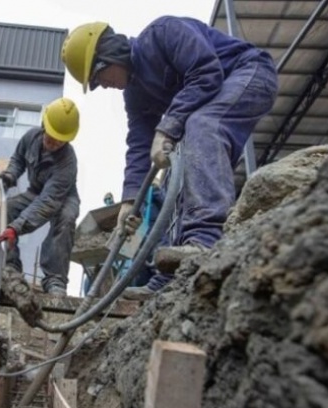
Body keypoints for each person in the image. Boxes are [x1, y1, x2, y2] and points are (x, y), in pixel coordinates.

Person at [61, 16, 278, 297]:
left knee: (202, 125)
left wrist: (167, 126)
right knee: (173, 178)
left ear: (109, 53)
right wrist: (129, 201)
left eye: (99, 76)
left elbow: (207, 72)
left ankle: (206, 238)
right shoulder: (135, 95)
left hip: (250, 73)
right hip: (212, 101)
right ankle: (169, 276)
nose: (103, 85)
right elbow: (139, 146)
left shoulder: (163, 33)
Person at [0, 97, 81, 297]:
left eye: (60, 141)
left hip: (62, 197)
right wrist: (10, 175)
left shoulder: (68, 161)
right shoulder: (30, 138)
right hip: (35, 192)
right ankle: (11, 269)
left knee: (66, 219)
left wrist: (16, 228)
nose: (54, 143)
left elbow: (48, 202)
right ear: (44, 126)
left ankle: (55, 280)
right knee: (5, 211)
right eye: (51, 137)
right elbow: (18, 159)